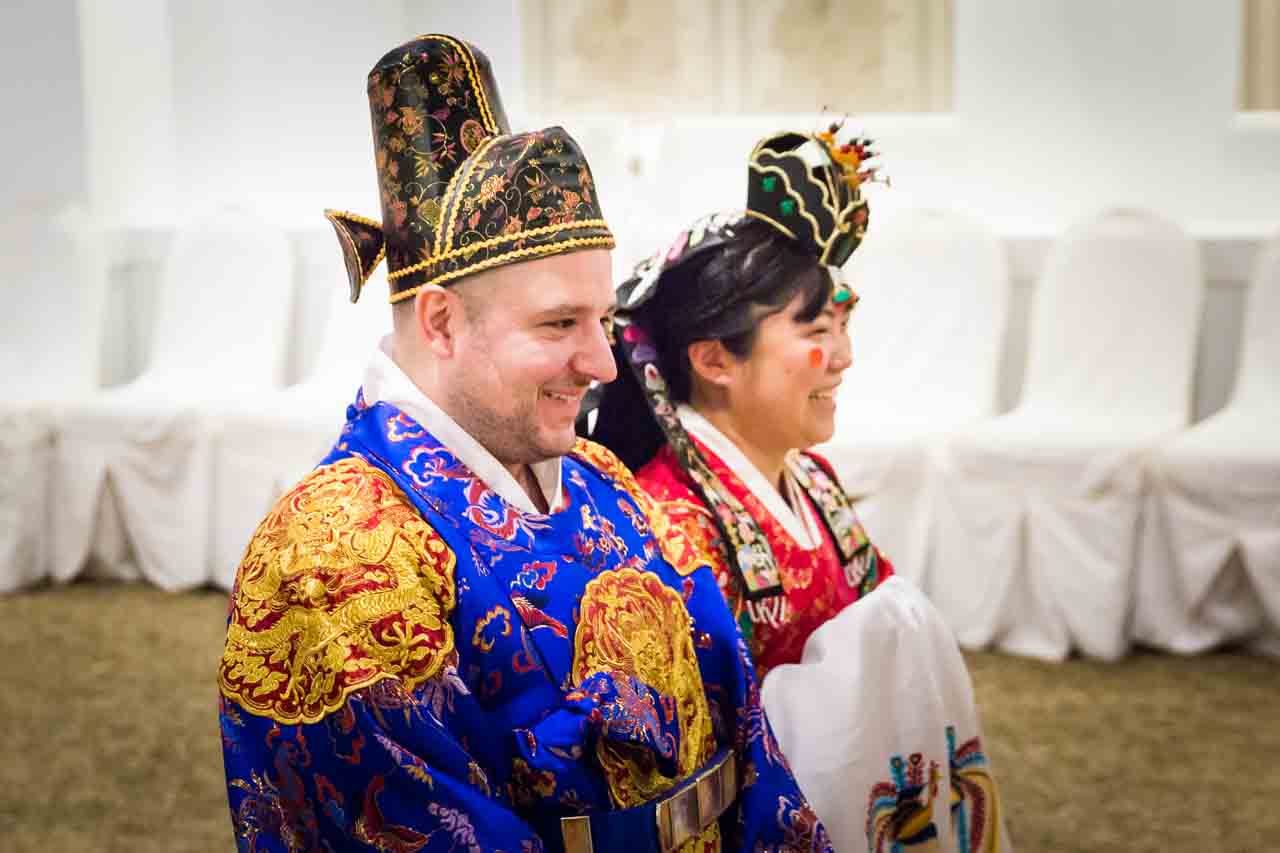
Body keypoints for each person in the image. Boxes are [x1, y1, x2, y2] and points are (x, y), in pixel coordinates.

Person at [217, 36, 831, 853]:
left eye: (603, 319)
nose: (603, 361)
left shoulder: (598, 476)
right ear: (439, 319)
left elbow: (743, 734)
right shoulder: (333, 566)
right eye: (559, 324)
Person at [586, 126, 1011, 852]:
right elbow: (694, 755)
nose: (844, 357)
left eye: (844, 323)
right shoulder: (673, 523)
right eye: (817, 328)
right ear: (716, 358)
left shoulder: (811, 477)